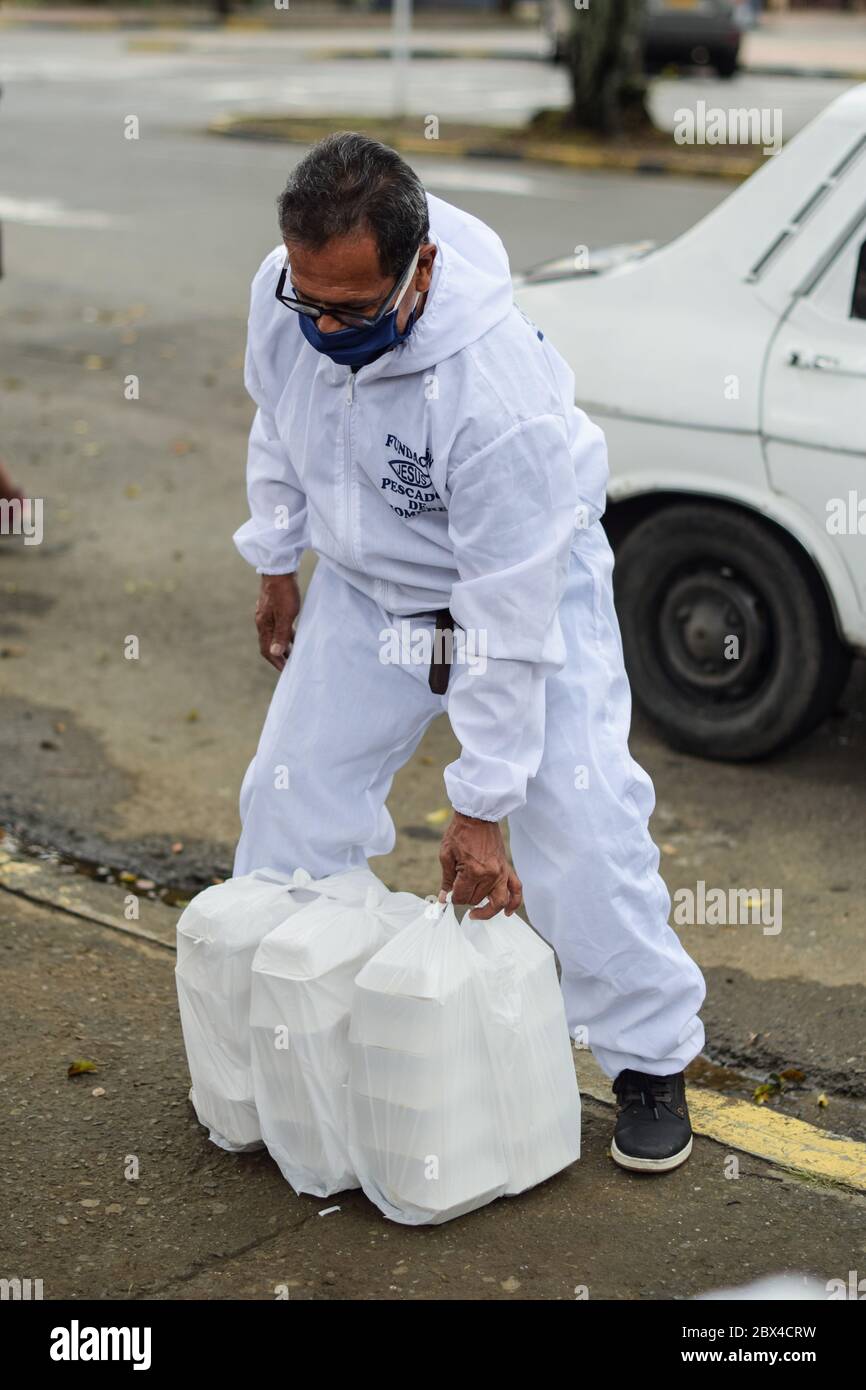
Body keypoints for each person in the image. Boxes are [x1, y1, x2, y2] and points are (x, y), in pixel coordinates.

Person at [233, 133, 706, 1173]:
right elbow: (280, 422)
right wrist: (276, 557)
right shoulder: (290, 293)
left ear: (423, 268)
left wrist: (480, 805)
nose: (321, 327)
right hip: (369, 589)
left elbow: (505, 621)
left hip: (513, 592)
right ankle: (285, 1023)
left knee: (578, 830)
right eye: (305, 300)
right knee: (286, 793)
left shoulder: (497, 400)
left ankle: (645, 1055)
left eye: (349, 311)